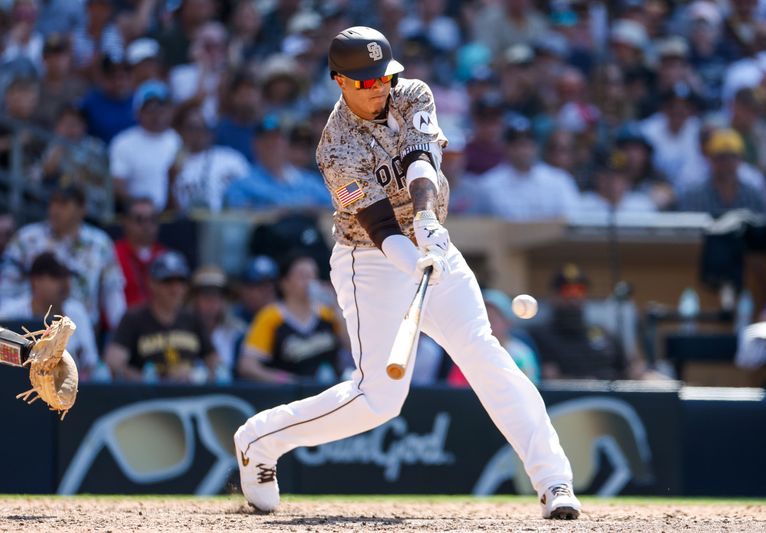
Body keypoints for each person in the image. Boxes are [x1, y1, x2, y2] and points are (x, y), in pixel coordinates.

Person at [234, 26, 580, 520]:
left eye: (382, 76)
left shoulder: (412, 92)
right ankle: (259, 440)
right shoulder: (334, 148)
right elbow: (375, 225)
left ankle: (553, 481)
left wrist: (426, 221)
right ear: (339, 81)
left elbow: (421, 159)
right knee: (380, 398)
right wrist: (411, 253)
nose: (378, 86)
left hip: (430, 236)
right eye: (364, 80)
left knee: (483, 352)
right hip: (370, 260)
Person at [0, 183, 126, 331]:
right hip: (33, 329)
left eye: (63, 204)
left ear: (82, 209)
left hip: (83, 331)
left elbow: (113, 295)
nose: (55, 210)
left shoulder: (100, 243)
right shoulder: (27, 238)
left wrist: (122, 335)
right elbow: (6, 290)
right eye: (53, 202)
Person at [104, 250, 218, 382]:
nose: (175, 289)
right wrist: (155, 379)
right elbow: (113, 364)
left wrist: (197, 374)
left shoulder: (192, 319)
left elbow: (217, 364)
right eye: (168, 281)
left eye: (180, 282)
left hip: (189, 397)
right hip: (148, 397)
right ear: (152, 283)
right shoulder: (134, 318)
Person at [237, 252, 341, 384]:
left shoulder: (328, 313)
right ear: (285, 282)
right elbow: (247, 366)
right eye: (302, 276)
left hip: (328, 395)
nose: (310, 282)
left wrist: (336, 307)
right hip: (290, 398)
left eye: (313, 275)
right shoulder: (271, 316)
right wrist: (282, 379)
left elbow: (354, 349)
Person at [0, 251, 98, 379]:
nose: (64, 283)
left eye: (67, 276)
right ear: (36, 281)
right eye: (56, 276)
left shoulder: (77, 312)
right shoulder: (10, 314)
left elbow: (90, 364)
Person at [530, 264, 629, 381]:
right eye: (567, 291)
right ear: (553, 296)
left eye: (579, 291)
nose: (573, 298)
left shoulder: (604, 335)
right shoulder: (538, 338)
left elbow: (626, 371)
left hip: (606, 397)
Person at [108, 79, 181, 211]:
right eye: (150, 108)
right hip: (139, 219)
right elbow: (117, 185)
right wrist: (143, 208)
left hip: (173, 216)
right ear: (138, 112)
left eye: (162, 107)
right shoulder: (124, 142)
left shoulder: (177, 140)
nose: (157, 113)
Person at [113, 196, 166, 307]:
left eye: (152, 219)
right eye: (139, 219)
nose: (146, 225)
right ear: (126, 222)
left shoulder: (165, 257)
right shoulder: (113, 255)